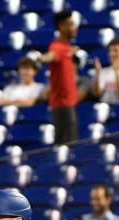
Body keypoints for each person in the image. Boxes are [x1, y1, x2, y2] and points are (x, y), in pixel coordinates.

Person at [38, 10, 79, 145]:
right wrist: (43, 58)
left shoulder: (67, 47)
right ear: (62, 27)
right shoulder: (57, 46)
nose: (75, 28)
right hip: (62, 105)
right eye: (71, 24)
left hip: (70, 103)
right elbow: (52, 55)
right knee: (66, 145)